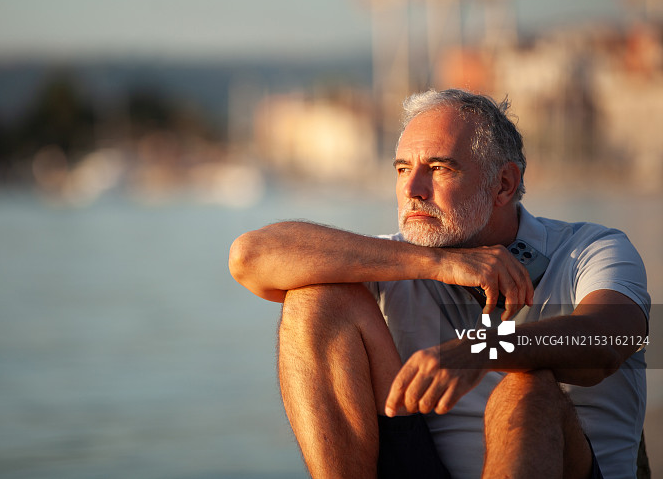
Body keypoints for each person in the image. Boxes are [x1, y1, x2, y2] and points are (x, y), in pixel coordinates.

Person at [228, 89, 650, 479]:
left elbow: (610, 338)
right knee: (317, 299)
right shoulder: (400, 259)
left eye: (439, 168)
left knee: (527, 386)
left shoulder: (590, 248)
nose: (413, 189)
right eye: (402, 169)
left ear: (503, 184)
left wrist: (479, 350)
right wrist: (438, 263)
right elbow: (250, 257)